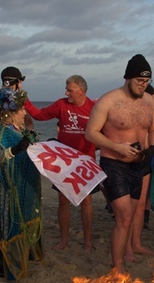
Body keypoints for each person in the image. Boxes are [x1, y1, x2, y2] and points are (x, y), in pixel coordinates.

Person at [85, 54, 154, 275]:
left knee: (133, 214)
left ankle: (127, 252)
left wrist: (152, 150)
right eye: (139, 81)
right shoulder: (109, 101)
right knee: (124, 216)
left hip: (139, 165)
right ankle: (117, 267)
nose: (143, 85)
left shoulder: (148, 101)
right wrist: (117, 147)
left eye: (146, 82)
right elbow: (90, 133)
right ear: (127, 78)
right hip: (114, 164)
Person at [24, 74, 96, 251]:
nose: (67, 92)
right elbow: (39, 115)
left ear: (81, 91)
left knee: (86, 202)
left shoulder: (94, 108)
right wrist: (24, 101)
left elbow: (107, 130)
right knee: (63, 201)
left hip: (85, 162)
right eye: (67, 89)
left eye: (70, 90)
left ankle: (87, 241)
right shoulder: (61, 104)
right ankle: (64, 240)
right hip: (64, 162)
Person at [0, 87, 43, 282]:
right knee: (11, 226)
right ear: (10, 112)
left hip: (23, 189)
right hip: (11, 192)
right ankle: (10, 269)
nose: (25, 113)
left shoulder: (17, 131)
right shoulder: (1, 134)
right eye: (21, 110)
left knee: (20, 223)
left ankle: (17, 262)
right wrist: (15, 150)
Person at [0, 67, 32, 252]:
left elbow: (29, 122)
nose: (22, 85)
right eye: (20, 81)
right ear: (15, 81)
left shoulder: (21, 99)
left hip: (16, 148)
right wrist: (4, 108)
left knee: (15, 193)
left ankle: (14, 233)